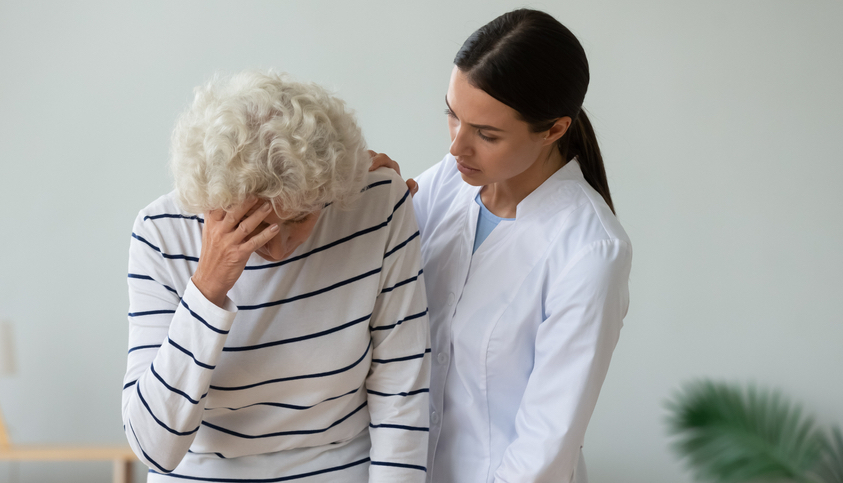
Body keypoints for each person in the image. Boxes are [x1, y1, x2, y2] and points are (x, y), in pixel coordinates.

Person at [122, 71, 431, 482]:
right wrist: (208, 289)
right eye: (253, 225)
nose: (280, 247)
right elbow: (153, 448)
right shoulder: (162, 232)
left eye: (300, 218)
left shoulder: (373, 205)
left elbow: (401, 392)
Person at [370, 9, 632, 483]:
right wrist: (365, 197)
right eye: (453, 116)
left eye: (486, 134)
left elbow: (546, 448)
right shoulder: (449, 183)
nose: (456, 148)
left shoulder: (591, 251)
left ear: (554, 129)